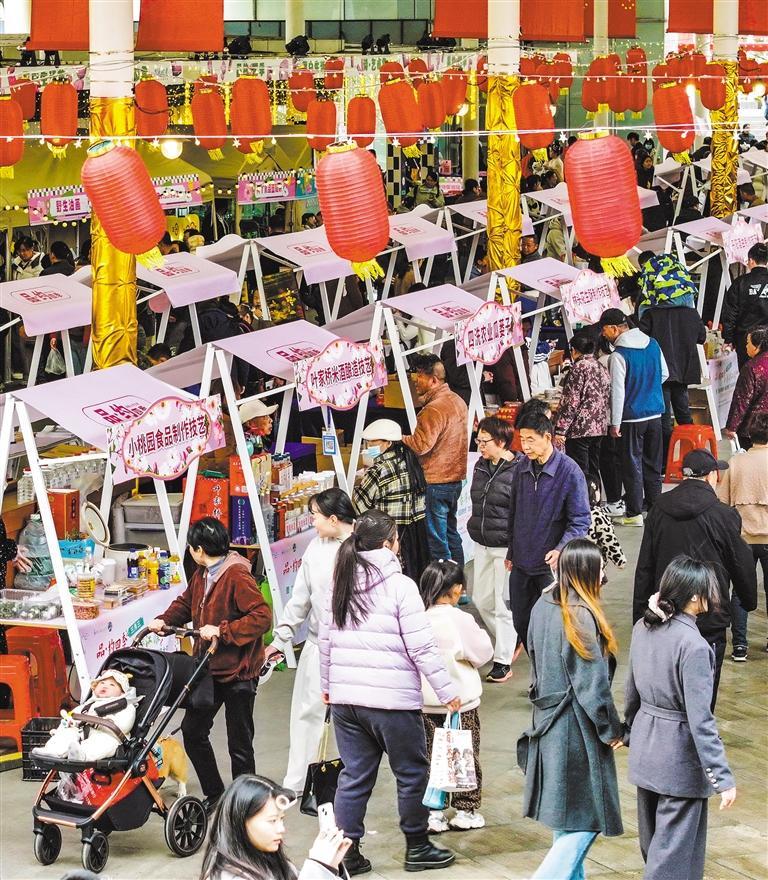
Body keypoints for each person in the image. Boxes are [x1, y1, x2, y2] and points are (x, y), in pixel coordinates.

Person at [319, 510, 459, 875]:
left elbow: (325, 642)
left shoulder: (339, 580)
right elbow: (422, 647)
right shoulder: (401, 586)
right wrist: (446, 691)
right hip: (391, 703)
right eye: (397, 540)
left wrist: (327, 687)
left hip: (347, 702)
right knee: (412, 773)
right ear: (387, 544)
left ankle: (346, 854)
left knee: (354, 776)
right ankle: (418, 847)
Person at [148, 518, 272, 812]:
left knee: (239, 743)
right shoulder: (203, 573)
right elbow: (186, 603)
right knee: (193, 731)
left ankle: (245, 805)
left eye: (191, 547)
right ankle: (216, 794)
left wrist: (222, 631)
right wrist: (164, 621)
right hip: (208, 668)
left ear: (199, 550)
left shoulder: (236, 575)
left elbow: (262, 617)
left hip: (239, 672)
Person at [624, 557, 737, 880]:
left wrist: (630, 732)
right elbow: (701, 721)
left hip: (646, 753)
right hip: (678, 763)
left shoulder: (643, 628)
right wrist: (722, 777)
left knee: (655, 851)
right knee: (672, 863)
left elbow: (631, 693)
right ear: (694, 596)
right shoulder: (695, 646)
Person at [520, 539, 624, 880]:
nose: (604, 575)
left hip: (548, 722)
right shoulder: (579, 615)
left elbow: (535, 659)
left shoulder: (543, 605)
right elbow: (592, 685)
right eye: (600, 568)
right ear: (586, 571)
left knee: (569, 820)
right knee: (586, 820)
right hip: (576, 729)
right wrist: (612, 729)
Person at [634, 449, 757, 708]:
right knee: (703, 692)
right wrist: (748, 600)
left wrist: (640, 614)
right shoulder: (724, 515)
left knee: (668, 687)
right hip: (708, 617)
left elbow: (646, 565)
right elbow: (740, 562)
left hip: (665, 613)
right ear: (711, 476)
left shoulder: (658, 509)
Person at [262, 489, 355, 794]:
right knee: (307, 712)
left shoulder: (362, 549)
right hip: (317, 647)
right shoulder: (316, 547)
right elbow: (300, 599)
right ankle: (299, 780)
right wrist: (280, 639)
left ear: (333, 518)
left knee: (353, 718)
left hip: (355, 650)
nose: (311, 522)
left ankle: (348, 778)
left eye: (315, 516)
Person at [505, 407, 591, 651]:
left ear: (547, 437)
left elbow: (580, 520)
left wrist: (561, 548)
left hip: (550, 566)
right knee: (522, 621)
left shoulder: (569, 471)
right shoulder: (521, 468)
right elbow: (514, 512)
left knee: (555, 627)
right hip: (521, 563)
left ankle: (549, 669)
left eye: (530, 440)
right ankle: (536, 664)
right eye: (522, 439)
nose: (525, 446)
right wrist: (511, 551)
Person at [419, 560, 493, 833]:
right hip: (461, 703)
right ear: (457, 589)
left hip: (425, 703)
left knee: (430, 756)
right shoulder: (460, 619)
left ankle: (433, 812)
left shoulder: (418, 619)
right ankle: (465, 810)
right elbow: (483, 652)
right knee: (464, 754)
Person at [200, 774, 351, 880]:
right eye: (272, 820)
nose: (281, 829)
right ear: (240, 822)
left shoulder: (272, 861)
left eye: (281, 819)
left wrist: (331, 866)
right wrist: (318, 866)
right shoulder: (226, 876)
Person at [599, 307, 668, 526]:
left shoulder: (619, 356)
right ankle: (656, 509)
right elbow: (664, 373)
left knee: (631, 466)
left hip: (630, 418)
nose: (603, 335)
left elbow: (617, 392)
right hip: (655, 414)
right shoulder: (653, 344)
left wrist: (615, 423)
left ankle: (634, 513)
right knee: (653, 464)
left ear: (614, 328)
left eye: (604, 330)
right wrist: (649, 390)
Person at [467, 417, 520, 683]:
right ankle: (509, 639)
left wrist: (516, 548)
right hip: (482, 541)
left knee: (502, 605)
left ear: (501, 442)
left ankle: (503, 661)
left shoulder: (519, 470)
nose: (480, 446)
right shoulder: (481, 465)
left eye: (484, 441)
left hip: (505, 546)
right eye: (478, 441)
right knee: (481, 599)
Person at [403, 354, 469, 565]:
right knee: (451, 533)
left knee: (438, 540)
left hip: (437, 481)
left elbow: (421, 445)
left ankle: (444, 582)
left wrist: (399, 438)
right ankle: (459, 580)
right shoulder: (457, 401)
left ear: (433, 379)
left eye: (420, 376)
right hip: (455, 479)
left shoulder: (432, 409)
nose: (416, 380)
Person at [717, 411, 768, 659]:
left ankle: (739, 645)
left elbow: (722, 501)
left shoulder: (737, 462)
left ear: (750, 434)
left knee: (740, 590)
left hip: (742, 538)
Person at [638, 281, 707, 465]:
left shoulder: (651, 313)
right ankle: (690, 458)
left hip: (659, 371)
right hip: (683, 370)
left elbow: (641, 339)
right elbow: (701, 337)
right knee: (684, 414)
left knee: (663, 417)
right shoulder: (691, 313)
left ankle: (664, 462)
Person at [352, 419, 429, 581]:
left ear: (388, 443)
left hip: (390, 533)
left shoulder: (378, 469)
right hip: (417, 531)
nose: (368, 446)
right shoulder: (411, 461)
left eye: (372, 442)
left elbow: (360, 505)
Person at [33, 670, 137, 762]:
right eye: (102, 683)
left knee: (102, 743)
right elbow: (75, 714)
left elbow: (125, 725)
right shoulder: (89, 704)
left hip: (109, 735)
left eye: (112, 685)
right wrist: (70, 721)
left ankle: (82, 755)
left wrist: (104, 721)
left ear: (122, 692)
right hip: (82, 731)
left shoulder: (125, 706)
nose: (105, 686)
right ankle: (53, 750)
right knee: (67, 733)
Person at [554, 330, 611, 486]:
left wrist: (560, 430)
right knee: (593, 468)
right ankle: (595, 497)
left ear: (574, 350)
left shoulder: (579, 368)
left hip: (580, 428)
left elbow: (571, 402)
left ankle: (584, 499)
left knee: (580, 470)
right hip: (599, 426)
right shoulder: (600, 366)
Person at [721, 243, 768, 368]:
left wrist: (728, 339)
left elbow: (730, 313)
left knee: (747, 374)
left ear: (751, 261)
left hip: (746, 341)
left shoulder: (740, 282)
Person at [724, 326, 768, 448]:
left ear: (758, 346)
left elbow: (742, 400)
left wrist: (731, 427)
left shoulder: (752, 367)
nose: (746, 346)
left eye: (748, 343)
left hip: (755, 429)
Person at [636, 251, 698, 317]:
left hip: (673, 299)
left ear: (642, 265)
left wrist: (653, 302)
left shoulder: (648, 267)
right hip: (689, 296)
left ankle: (643, 324)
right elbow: (687, 276)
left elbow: (647, 291)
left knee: (643, 307)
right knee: (689, 317)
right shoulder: (672, 261)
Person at [586, 478, 627, 576]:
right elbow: (608, 538)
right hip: (593, 563)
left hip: (570, 561)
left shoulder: (571, 512)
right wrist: (619, 560)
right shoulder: (597, 514)